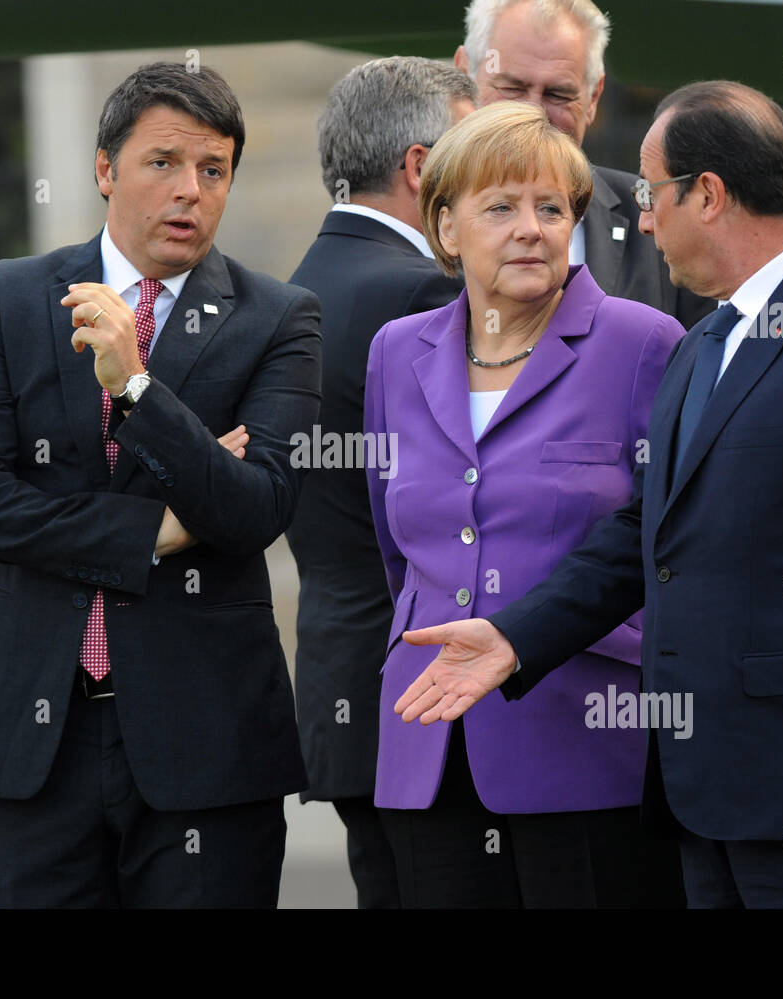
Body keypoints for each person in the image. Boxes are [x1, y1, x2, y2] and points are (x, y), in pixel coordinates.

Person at [392, 82, 783, 909]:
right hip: (705, 800)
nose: (643, 222)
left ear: (710, 194)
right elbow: (642, 533)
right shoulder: (702, 345)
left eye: (653, 196)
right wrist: (515, 637)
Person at [0, 62, 321, 908]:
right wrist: (151, 532)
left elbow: (256, 508)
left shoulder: (279, 318)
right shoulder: (11, 296)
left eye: (213, 170)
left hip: (207, 747)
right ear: (105, 169)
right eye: (163, 163)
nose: (190, 190)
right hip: (37, 741)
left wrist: (137, 387)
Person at [363, 100, 686, 908]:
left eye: (551, 209)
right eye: (500, 207)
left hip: (585, 739)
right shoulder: (396, 353)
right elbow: (396, 544)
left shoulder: (643, 343)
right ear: (445, 227)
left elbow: (664, 545)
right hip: (428, 740)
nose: (532, 229)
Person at [284, 56, 473, 910]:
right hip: (433, 691)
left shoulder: (291, 291)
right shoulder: (425, 296)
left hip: (343, 682)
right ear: (423, 169)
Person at [454, 0, 712, 330]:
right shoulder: (412, 213)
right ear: (463, 76)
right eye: (512, 87)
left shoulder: (658, 219)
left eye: (558, 94)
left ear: (592, 98)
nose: (533, 113)